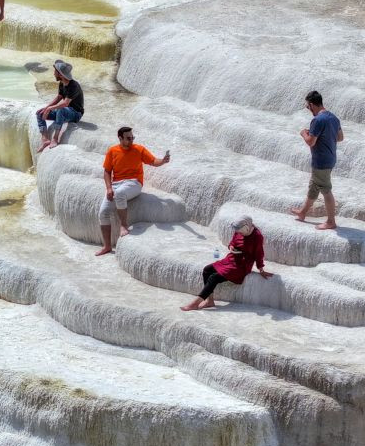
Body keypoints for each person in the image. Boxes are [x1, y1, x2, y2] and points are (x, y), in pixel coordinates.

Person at [96, 126, 170, 256]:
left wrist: (163, 161)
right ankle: (107, 246)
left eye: (132, 137)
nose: (131, 140)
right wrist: (108, 188)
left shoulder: (138, 149)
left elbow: (153, 161)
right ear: (120, 138)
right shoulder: (112, 151)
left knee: (120, 194)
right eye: (128, 138)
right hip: (116, 184)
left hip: (134, 183)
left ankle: (123, 225)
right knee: (102, 213)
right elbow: (107, 171)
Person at [182, 216, 272, 310]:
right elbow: (233, 242)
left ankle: (196, 303)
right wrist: (231, 247)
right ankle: (209, 301)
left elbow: (259, 253)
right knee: (207, 269)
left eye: (240, 232)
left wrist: (261, 269)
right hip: (231, 259)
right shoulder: (238, 230)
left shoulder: (257, 236)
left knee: (214, 277)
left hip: (242, 265)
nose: (239, 233)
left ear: (247, 228)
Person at [292, 90, 344, 230]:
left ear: (311, 104)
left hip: (321, 161)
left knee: (326, 190)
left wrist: (304, 133)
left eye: (308, 107)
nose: (308, 110)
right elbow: (340, 138)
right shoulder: (334, 118)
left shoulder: (317, 120)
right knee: (313, 187)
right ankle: (303, 213)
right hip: (330, 158)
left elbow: (311, 142)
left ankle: (331, 221)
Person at [36, 60, 84, 151]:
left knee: (61, 110)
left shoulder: (74, 85)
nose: (54, 74)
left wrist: (51, 108)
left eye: (55, 72)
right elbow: (58, 98)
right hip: (65, 111)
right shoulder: (62, 83)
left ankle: (55, 138)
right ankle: (45, 139)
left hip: (76, 113)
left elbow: (65, 103)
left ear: (60, 74)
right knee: (39, 113)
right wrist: (46, 108)